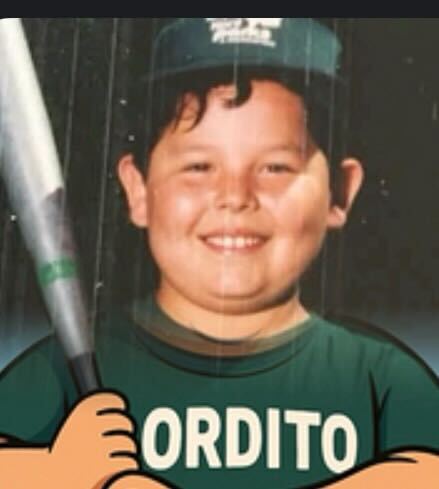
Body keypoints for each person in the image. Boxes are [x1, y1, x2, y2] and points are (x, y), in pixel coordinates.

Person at [0, 17, 438, 489]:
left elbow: (422, 470)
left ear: (340, 191)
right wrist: (56, 471)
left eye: (275, 167)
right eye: (199, 167)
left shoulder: (376, 375)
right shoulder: (66, 374)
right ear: (138, 189)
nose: (235, 196)